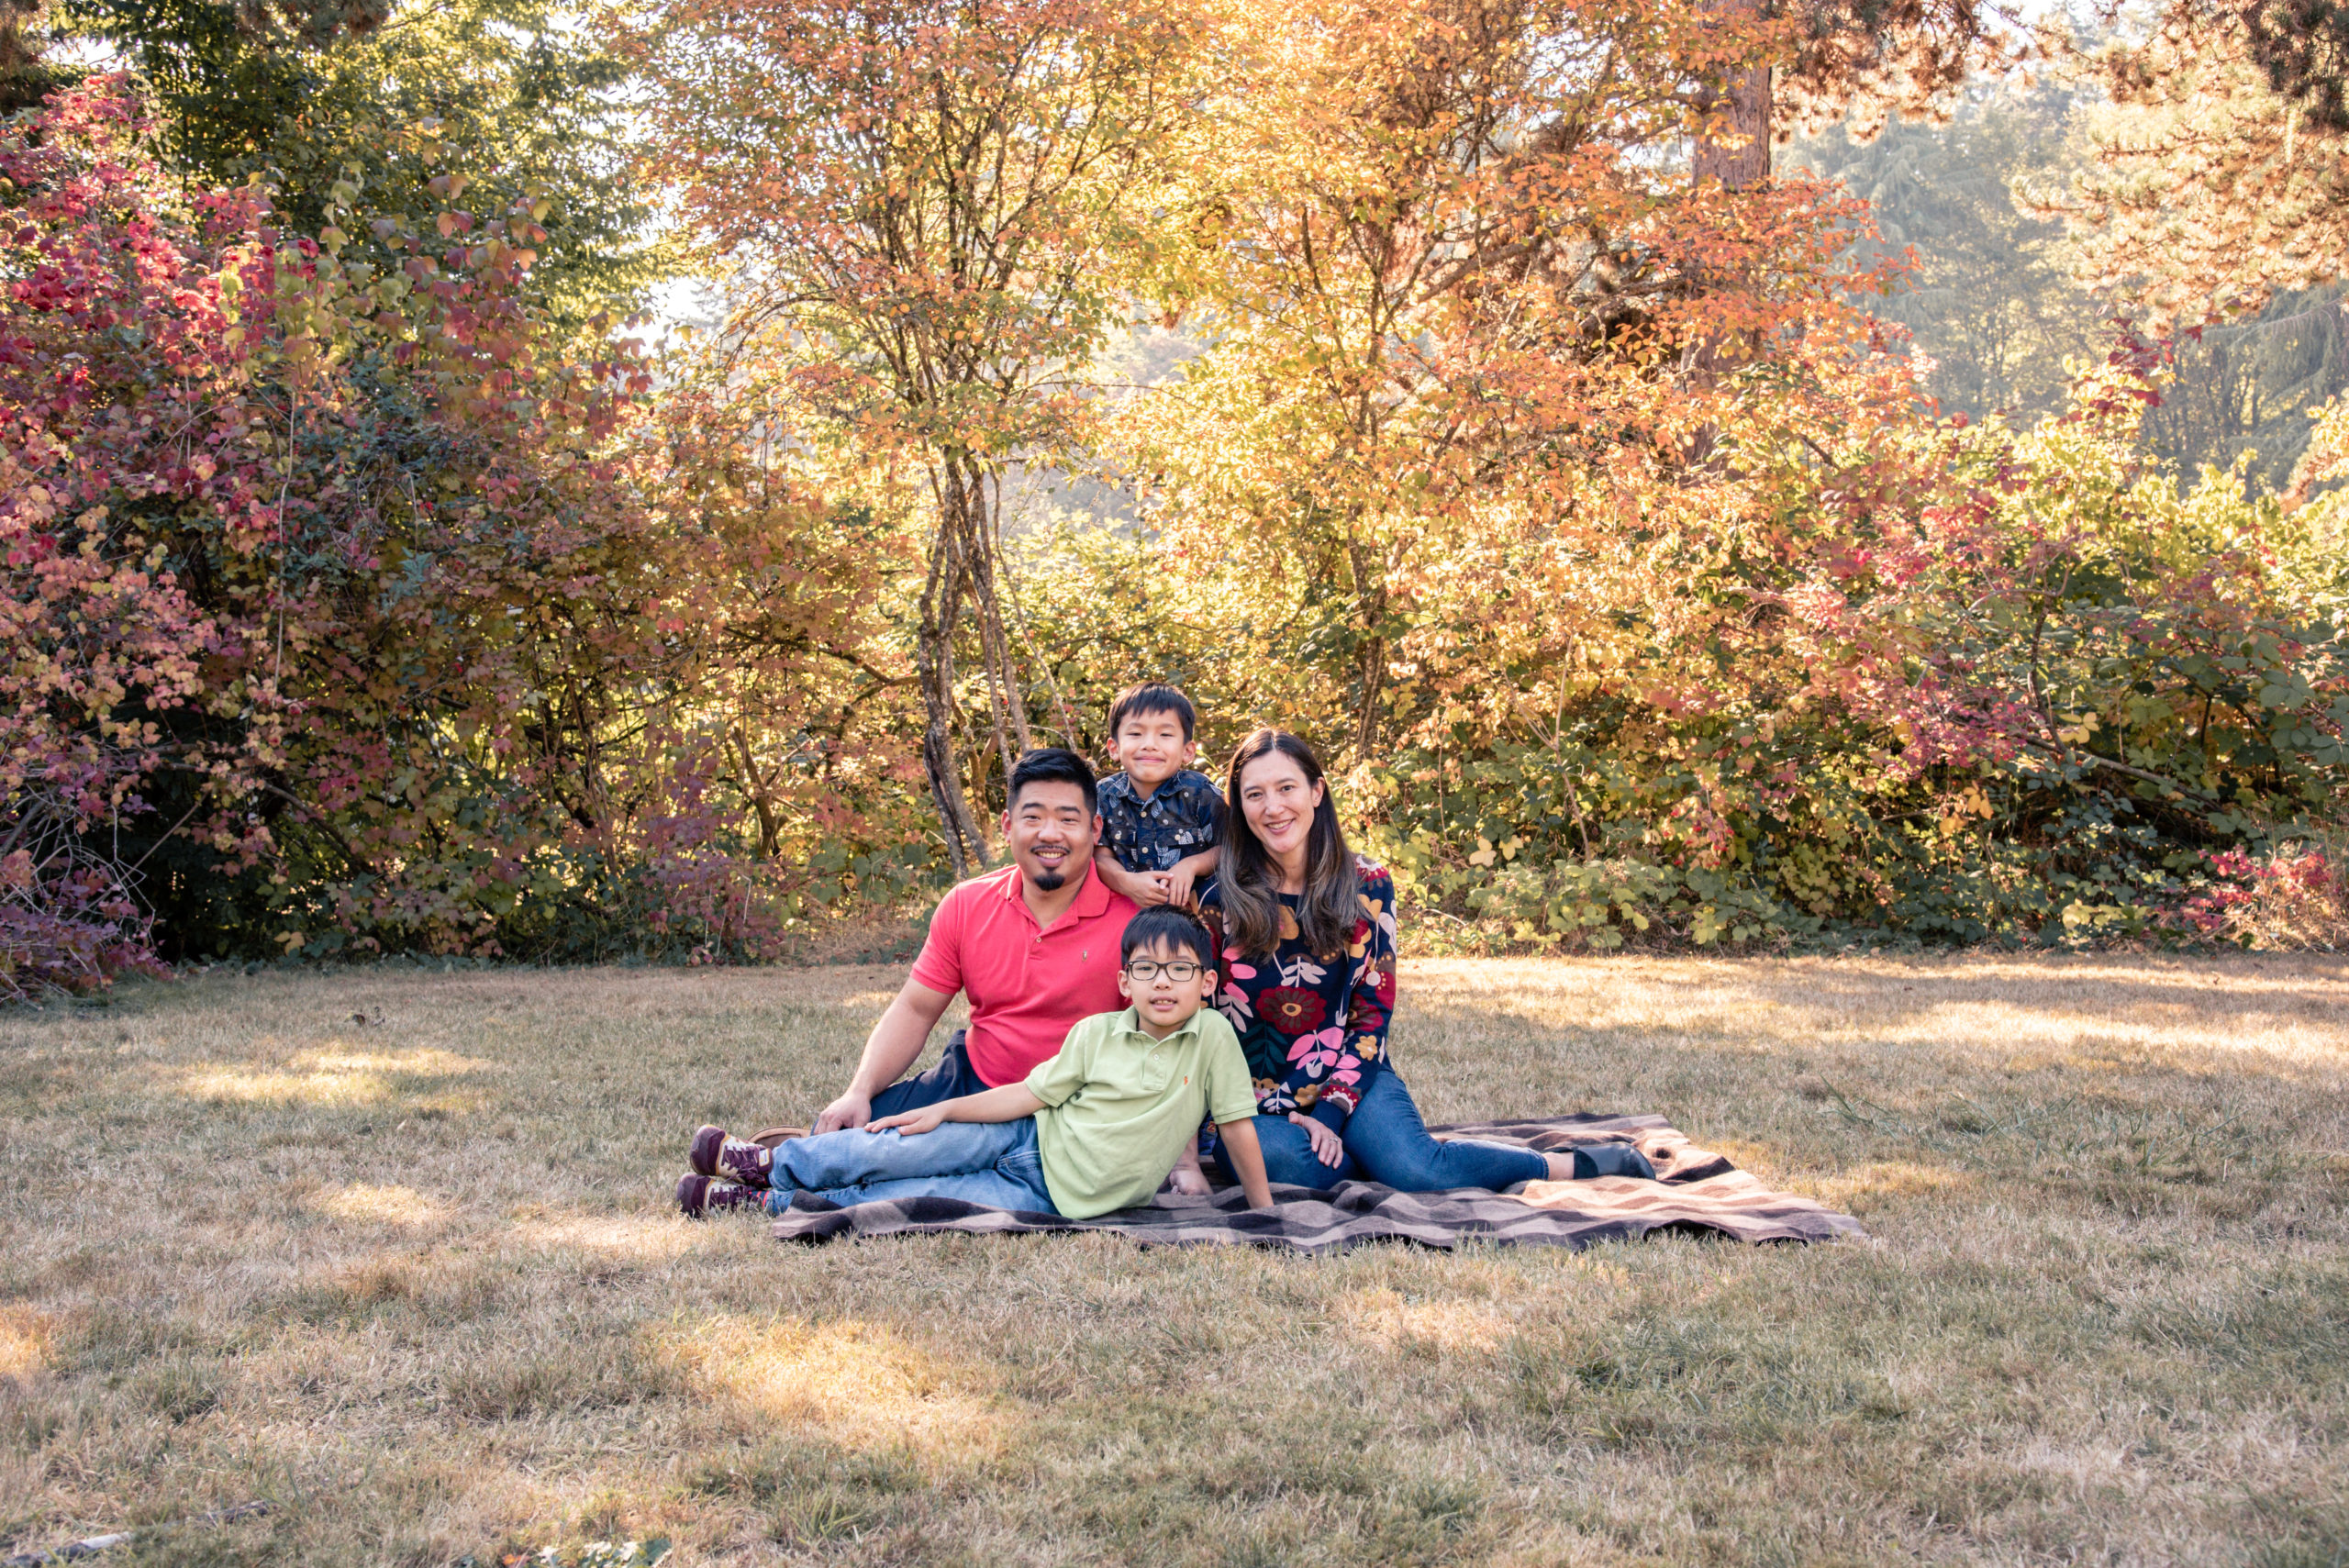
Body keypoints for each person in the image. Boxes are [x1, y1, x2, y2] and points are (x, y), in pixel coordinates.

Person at [1198, 728, 1636, 1191]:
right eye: (1255, 794)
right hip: (1252, 1102)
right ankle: (1369, 1165)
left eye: (1286, 788)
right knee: (1264, 1159)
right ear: (1240, 807)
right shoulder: (1218, 900)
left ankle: (1569, 1165)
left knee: (1418, 1169)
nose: (1273, 807)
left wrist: (1329, 1111)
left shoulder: (1366, 884)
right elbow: (1200, 1025)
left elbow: (1371, 1014)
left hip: (1348, 1075)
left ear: (1316, 791)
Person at [677, 907, 1275, 1218]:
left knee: (920, 1195)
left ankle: (767, 1203)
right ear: (1124, 980)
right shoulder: (1098, 1032)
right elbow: (1029, 1095)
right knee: (895, 1147)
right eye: (1147, 968)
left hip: (1049, 1196)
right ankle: (770, 1161)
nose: (1162, 982)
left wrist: (1264, 1210)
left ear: (1207, 982)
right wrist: (945, 1111)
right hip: (1020, 1132)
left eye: (1179, 970)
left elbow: (1237, 1126)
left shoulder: (1212, 1037)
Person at [807, 748, 1139, 1135]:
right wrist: (858, 1091)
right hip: (969, 1084)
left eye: (1068, 819)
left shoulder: (1134, 923)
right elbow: (915, 1011)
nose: (1050, 834)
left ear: (1095, 829)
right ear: (1006, 825)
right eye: (1032, 817)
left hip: (1073, 1105)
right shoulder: (967, 905)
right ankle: (756, 1168)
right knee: (842, 1131)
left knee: (912, 1169)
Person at [1090, 682, 1226, 912]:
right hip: (1127, 918)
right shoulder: (1104, 794)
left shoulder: (1199, 792)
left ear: (1188, 751)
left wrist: (1192, 865)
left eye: (1165, 734)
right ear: (1114, 748)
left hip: (1195, 919)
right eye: (1135, 733)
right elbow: (1100, 855)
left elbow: (1230, 848)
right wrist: (1125, 881)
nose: (1150, 745)